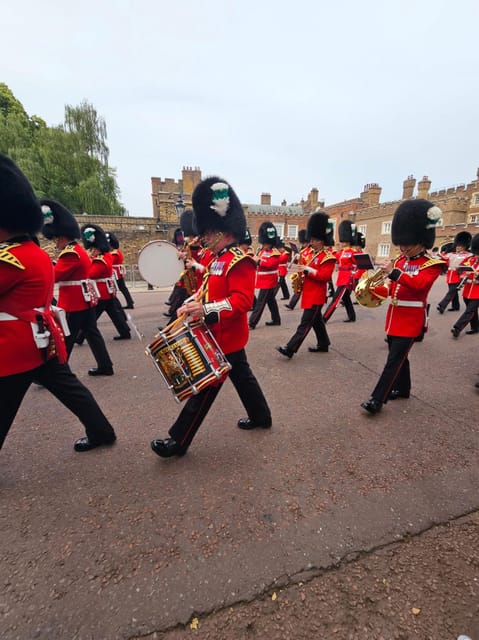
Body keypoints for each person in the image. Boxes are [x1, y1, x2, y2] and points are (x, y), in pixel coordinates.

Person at [0, 152, 116, 452]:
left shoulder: (20, 257)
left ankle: (102, 423)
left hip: (16, 344)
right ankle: (101, 429)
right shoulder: (37, 253)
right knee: (70, 385)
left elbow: (80, 273)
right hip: (39, 334)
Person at [151, 177, 272, 458]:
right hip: (217, 334)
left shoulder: (239, 260)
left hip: (226, 336)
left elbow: (244, 301)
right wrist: (193, 302)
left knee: (204, 388)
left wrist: (205, 310)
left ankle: (178, 441)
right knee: (243, 377)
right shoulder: (216, 259)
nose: (202, 237)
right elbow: (208, 289)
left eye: (206, 232)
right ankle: (261, 416)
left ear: (221, 231)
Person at [360, 199, 445, 415]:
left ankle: (376, 399)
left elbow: (419, 286)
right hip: (394, 316)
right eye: (401, 242)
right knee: (399, 357)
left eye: (408, 242)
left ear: (420, 239)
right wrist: (370, 289)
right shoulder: (400, 260)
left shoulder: (432, 264)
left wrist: (395, 272)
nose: (403, 246)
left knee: (392, 361)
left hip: (411, 319)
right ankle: (404, 389)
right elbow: (391, 289)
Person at [40, 199, 115, 376]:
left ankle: (55, 372)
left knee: (65, 338)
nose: (55, 243)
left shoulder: (70, 253)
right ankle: (105, 365)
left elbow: (55, 276)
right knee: (92, 334)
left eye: (56, 239)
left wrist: (45, 266)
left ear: (62, 236)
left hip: (74, 303)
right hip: (83, 301)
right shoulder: (77, 251)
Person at [276, 211, 335, 358]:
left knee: (305, 323)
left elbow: (325, 276)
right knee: (317, 322)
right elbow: (303, 262)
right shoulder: (311, 253)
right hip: (308, 293)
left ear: (321, 241)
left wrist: (308, 270)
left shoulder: (328, 257)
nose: (311, 242)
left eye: (314, 240)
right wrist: (297, 259)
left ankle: (290, 349)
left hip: (316, 295)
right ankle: (324, 343)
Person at [81, 223, 131, 345]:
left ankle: (79, 337)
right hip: (107, 291)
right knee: (114, 312)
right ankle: (125, 331)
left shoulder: (100, 260)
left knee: (90, 319)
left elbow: (91, 274)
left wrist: (89, 261)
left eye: (93, 249)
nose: (92, 251)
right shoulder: (107, 256)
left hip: (101, 292)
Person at [323, 220, 358, 323]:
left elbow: (359, 265)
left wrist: (354, 276)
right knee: (346, 298)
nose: (342, 242)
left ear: (348, 240)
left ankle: (324, 318)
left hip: (347, 279)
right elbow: (332, 257)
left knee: (336, 299)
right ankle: (352, 317)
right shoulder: (340, 252)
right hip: (341, 278)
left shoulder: (353, 252)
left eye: (344, 241)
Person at [248, 221, 282, 328]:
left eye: (265, 243)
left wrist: (259, 261)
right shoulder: (261, 250)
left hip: (269, 280)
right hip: (263, 279)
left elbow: (272, 264)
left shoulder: (274, 252)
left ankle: (252, 322)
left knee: (260, 303)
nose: (264, 245)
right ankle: (276, 319)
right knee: (271, 301)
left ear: (270, 242)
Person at [451, 233, 479, 338]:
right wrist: (462, 273)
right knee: (472, 311)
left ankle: (457, 328)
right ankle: (475, 327)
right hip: (467, 290)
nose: (476, 255)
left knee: (469, 311)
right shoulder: (471, 259)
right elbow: (462, 268)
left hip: (477, 292)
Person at [437, 232, 472, 314]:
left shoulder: (468, 255)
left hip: (459, 277)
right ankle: (455, 306)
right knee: (453, 292)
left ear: (464, 247)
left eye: (460, 246)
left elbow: (468, 266)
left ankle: (442, 305)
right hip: (450, 276)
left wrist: (463, 274)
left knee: (451, 292)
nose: (458, 247)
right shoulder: (451, 254)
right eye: (457, 245)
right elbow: (444, 260)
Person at [107, 231, 135, 309]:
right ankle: (130, 302)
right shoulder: (115, 251)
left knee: (115, 289)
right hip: (117, 272)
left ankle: (116, 305)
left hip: (116, 273)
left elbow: (110, 261)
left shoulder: (114, 253)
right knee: (123, 288)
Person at [285, 229, 310, 310]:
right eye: (302, 243)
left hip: (306, 273)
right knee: (298, 289)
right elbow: (298, 262)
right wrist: (295, 257)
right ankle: (291, 305)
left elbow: (308, 261)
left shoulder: (310, 251)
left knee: (307, 291)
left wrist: (300, 258)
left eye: (304, 243)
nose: (303, 244)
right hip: (300, 272)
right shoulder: (302, 251)